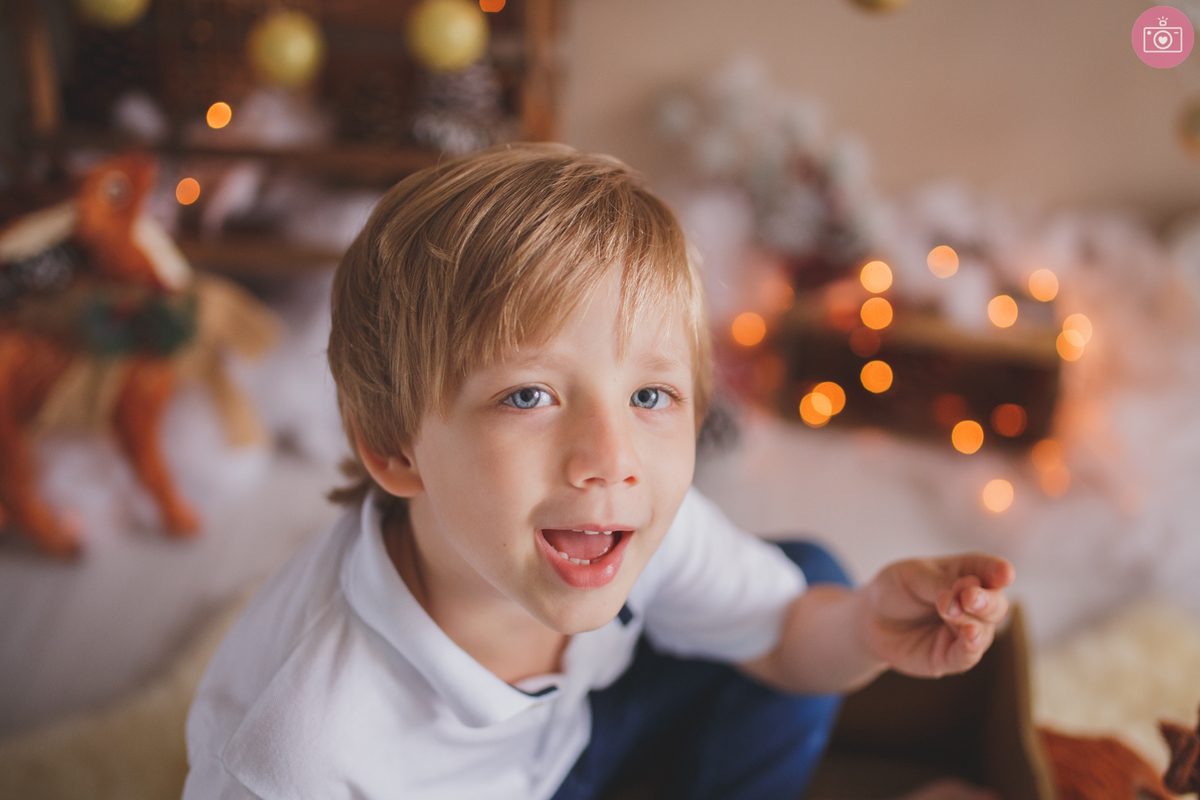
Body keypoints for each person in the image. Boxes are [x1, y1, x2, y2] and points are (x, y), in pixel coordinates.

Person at [182, 143, 1014, 800]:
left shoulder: (612, 518)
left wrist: (868, 630)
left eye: (650, 393)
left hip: (563, 745)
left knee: (813, 585)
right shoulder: (306, 755)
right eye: (530, 395)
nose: (611, 462)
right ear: (397, 448)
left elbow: (786, 640)